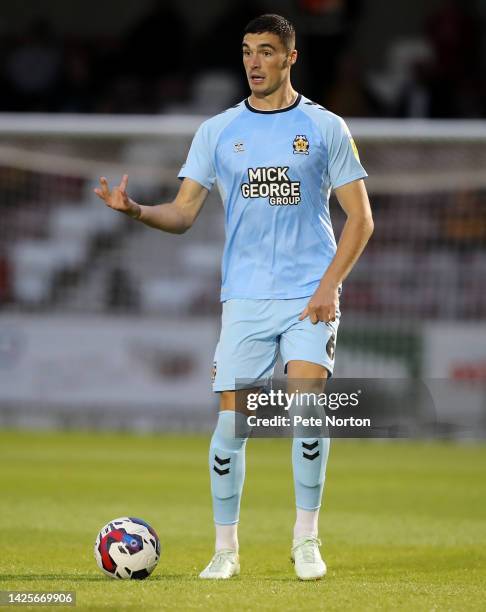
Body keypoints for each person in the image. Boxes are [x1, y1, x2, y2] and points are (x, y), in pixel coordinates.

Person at [95, 13, 373, 581]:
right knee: (231, 428)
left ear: (290, 58)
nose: (254, 62)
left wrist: (327, 288)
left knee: (307, 411)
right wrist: (137, 211)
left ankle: (306, 540)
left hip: (307, 294)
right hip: (245, 297)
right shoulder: (217, 131)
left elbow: (361, 219)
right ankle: (226, 550)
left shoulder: (325, 128)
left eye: (267, 51)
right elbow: (184, 213)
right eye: (247, 51)